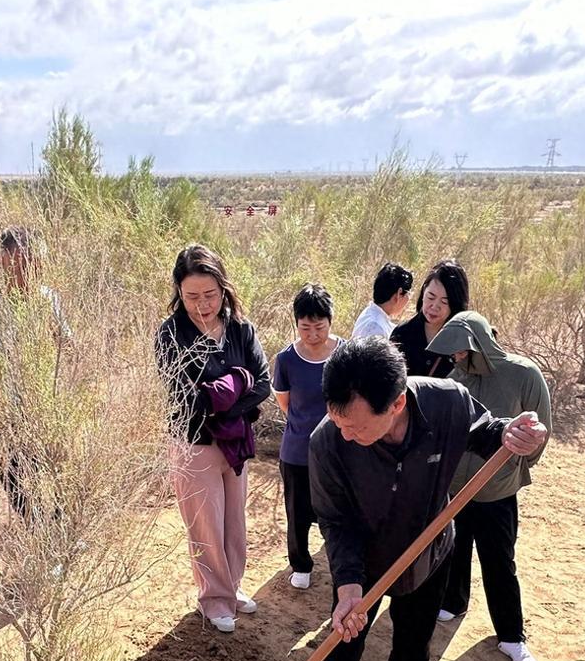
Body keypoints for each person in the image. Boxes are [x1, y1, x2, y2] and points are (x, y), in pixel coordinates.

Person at [297, 336, 547, 661]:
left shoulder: (447, 402)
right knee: (340, 653)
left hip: (429, 552)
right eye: (339, 421)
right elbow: (335, 521)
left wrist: (515, 433)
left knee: (414, 642)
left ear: (395, 403)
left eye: (355, 426)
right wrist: (349, 587)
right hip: (366, 564)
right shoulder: (328, 440)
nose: (345, 432)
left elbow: (488, 430)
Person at [427, 312, 551, 661]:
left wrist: (517, 467)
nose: (456, 358)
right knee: (455, 550)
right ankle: (454, 601)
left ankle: (511, 636)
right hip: (458, 490)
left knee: (499, 563)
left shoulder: (524, 374)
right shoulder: (454, 380)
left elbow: (540, 429)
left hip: (497, 492)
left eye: (461, 352)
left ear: (478, 345)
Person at [155, 244, 270, 634]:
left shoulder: (240, 328)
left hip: (233, 443)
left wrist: (225, 398)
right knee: (205, 525)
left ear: (223, 289)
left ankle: (231, 587)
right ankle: (214, 598)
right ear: (178, 293)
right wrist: (238, 382)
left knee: (234, 520)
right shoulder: (171, 334)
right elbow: (186, 398)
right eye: (191, 297)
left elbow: (264, 384)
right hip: (193, 445)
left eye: (209, 295)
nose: (202, 305)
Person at [0, 227, 71, 522]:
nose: (30, 269)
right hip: (2, 409)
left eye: (36, 262)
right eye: (23, 262)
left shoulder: (46, 298)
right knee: (14, 478)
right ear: (2, 259)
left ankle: (57, 533)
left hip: (42, 405)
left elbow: (66, 342)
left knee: (52, 475)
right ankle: (37, 532)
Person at [272, 284, 342, 589]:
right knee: (297, 512)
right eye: (305, 327)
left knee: (338, 511)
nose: (312, 334)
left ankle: (343, 564)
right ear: (296, 324)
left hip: (338, 450)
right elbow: (286, 403)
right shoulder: (286, 359)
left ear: (330, 321)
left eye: (319, 326)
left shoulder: (346, 353)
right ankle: (300, 565)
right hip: (298, 450)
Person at [390, 259, 469, 376]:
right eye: (431, 297)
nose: (434, 307)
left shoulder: (463, 344)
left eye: (444, 302)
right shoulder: (402, 334)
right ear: (423, 292)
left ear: (455, 305)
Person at [352, 263, 412, 339]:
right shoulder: (376, 328)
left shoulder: (371, 313)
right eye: (408, 293)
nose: (408, 299)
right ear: (399, 294)